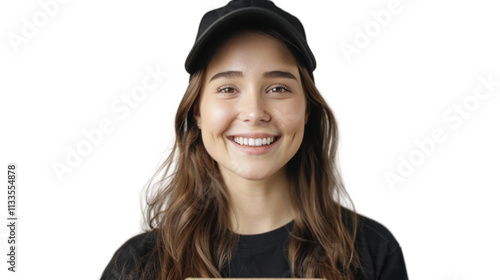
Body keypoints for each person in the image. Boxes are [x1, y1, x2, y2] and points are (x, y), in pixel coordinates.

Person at [101, 0, 408, 279]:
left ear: (307, 110)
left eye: (278, 88)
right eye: (227, 89)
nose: (254, 113)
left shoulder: (372, 251)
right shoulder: (137, 265)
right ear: (197, 111)